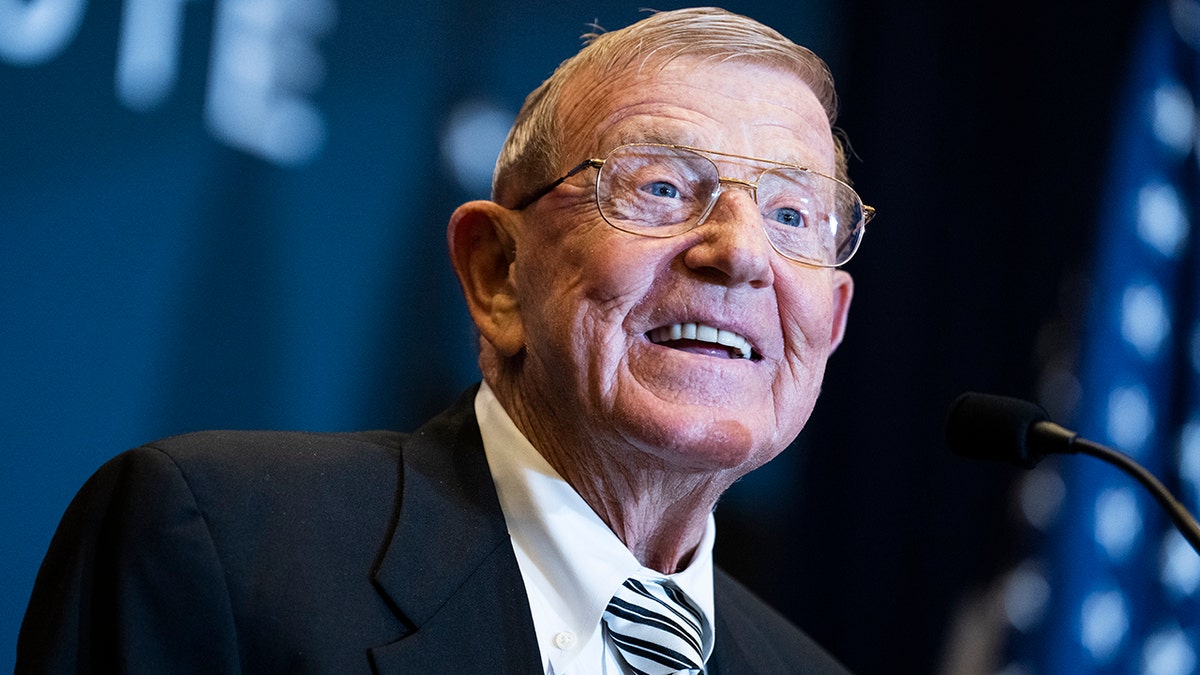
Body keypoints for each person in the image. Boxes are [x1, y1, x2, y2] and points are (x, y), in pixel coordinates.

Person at [17, 6, 872, 673]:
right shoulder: (220, 545)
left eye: (794, 214)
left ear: (828, 324)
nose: (742, 252)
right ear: (496, 271)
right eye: (660, 186)